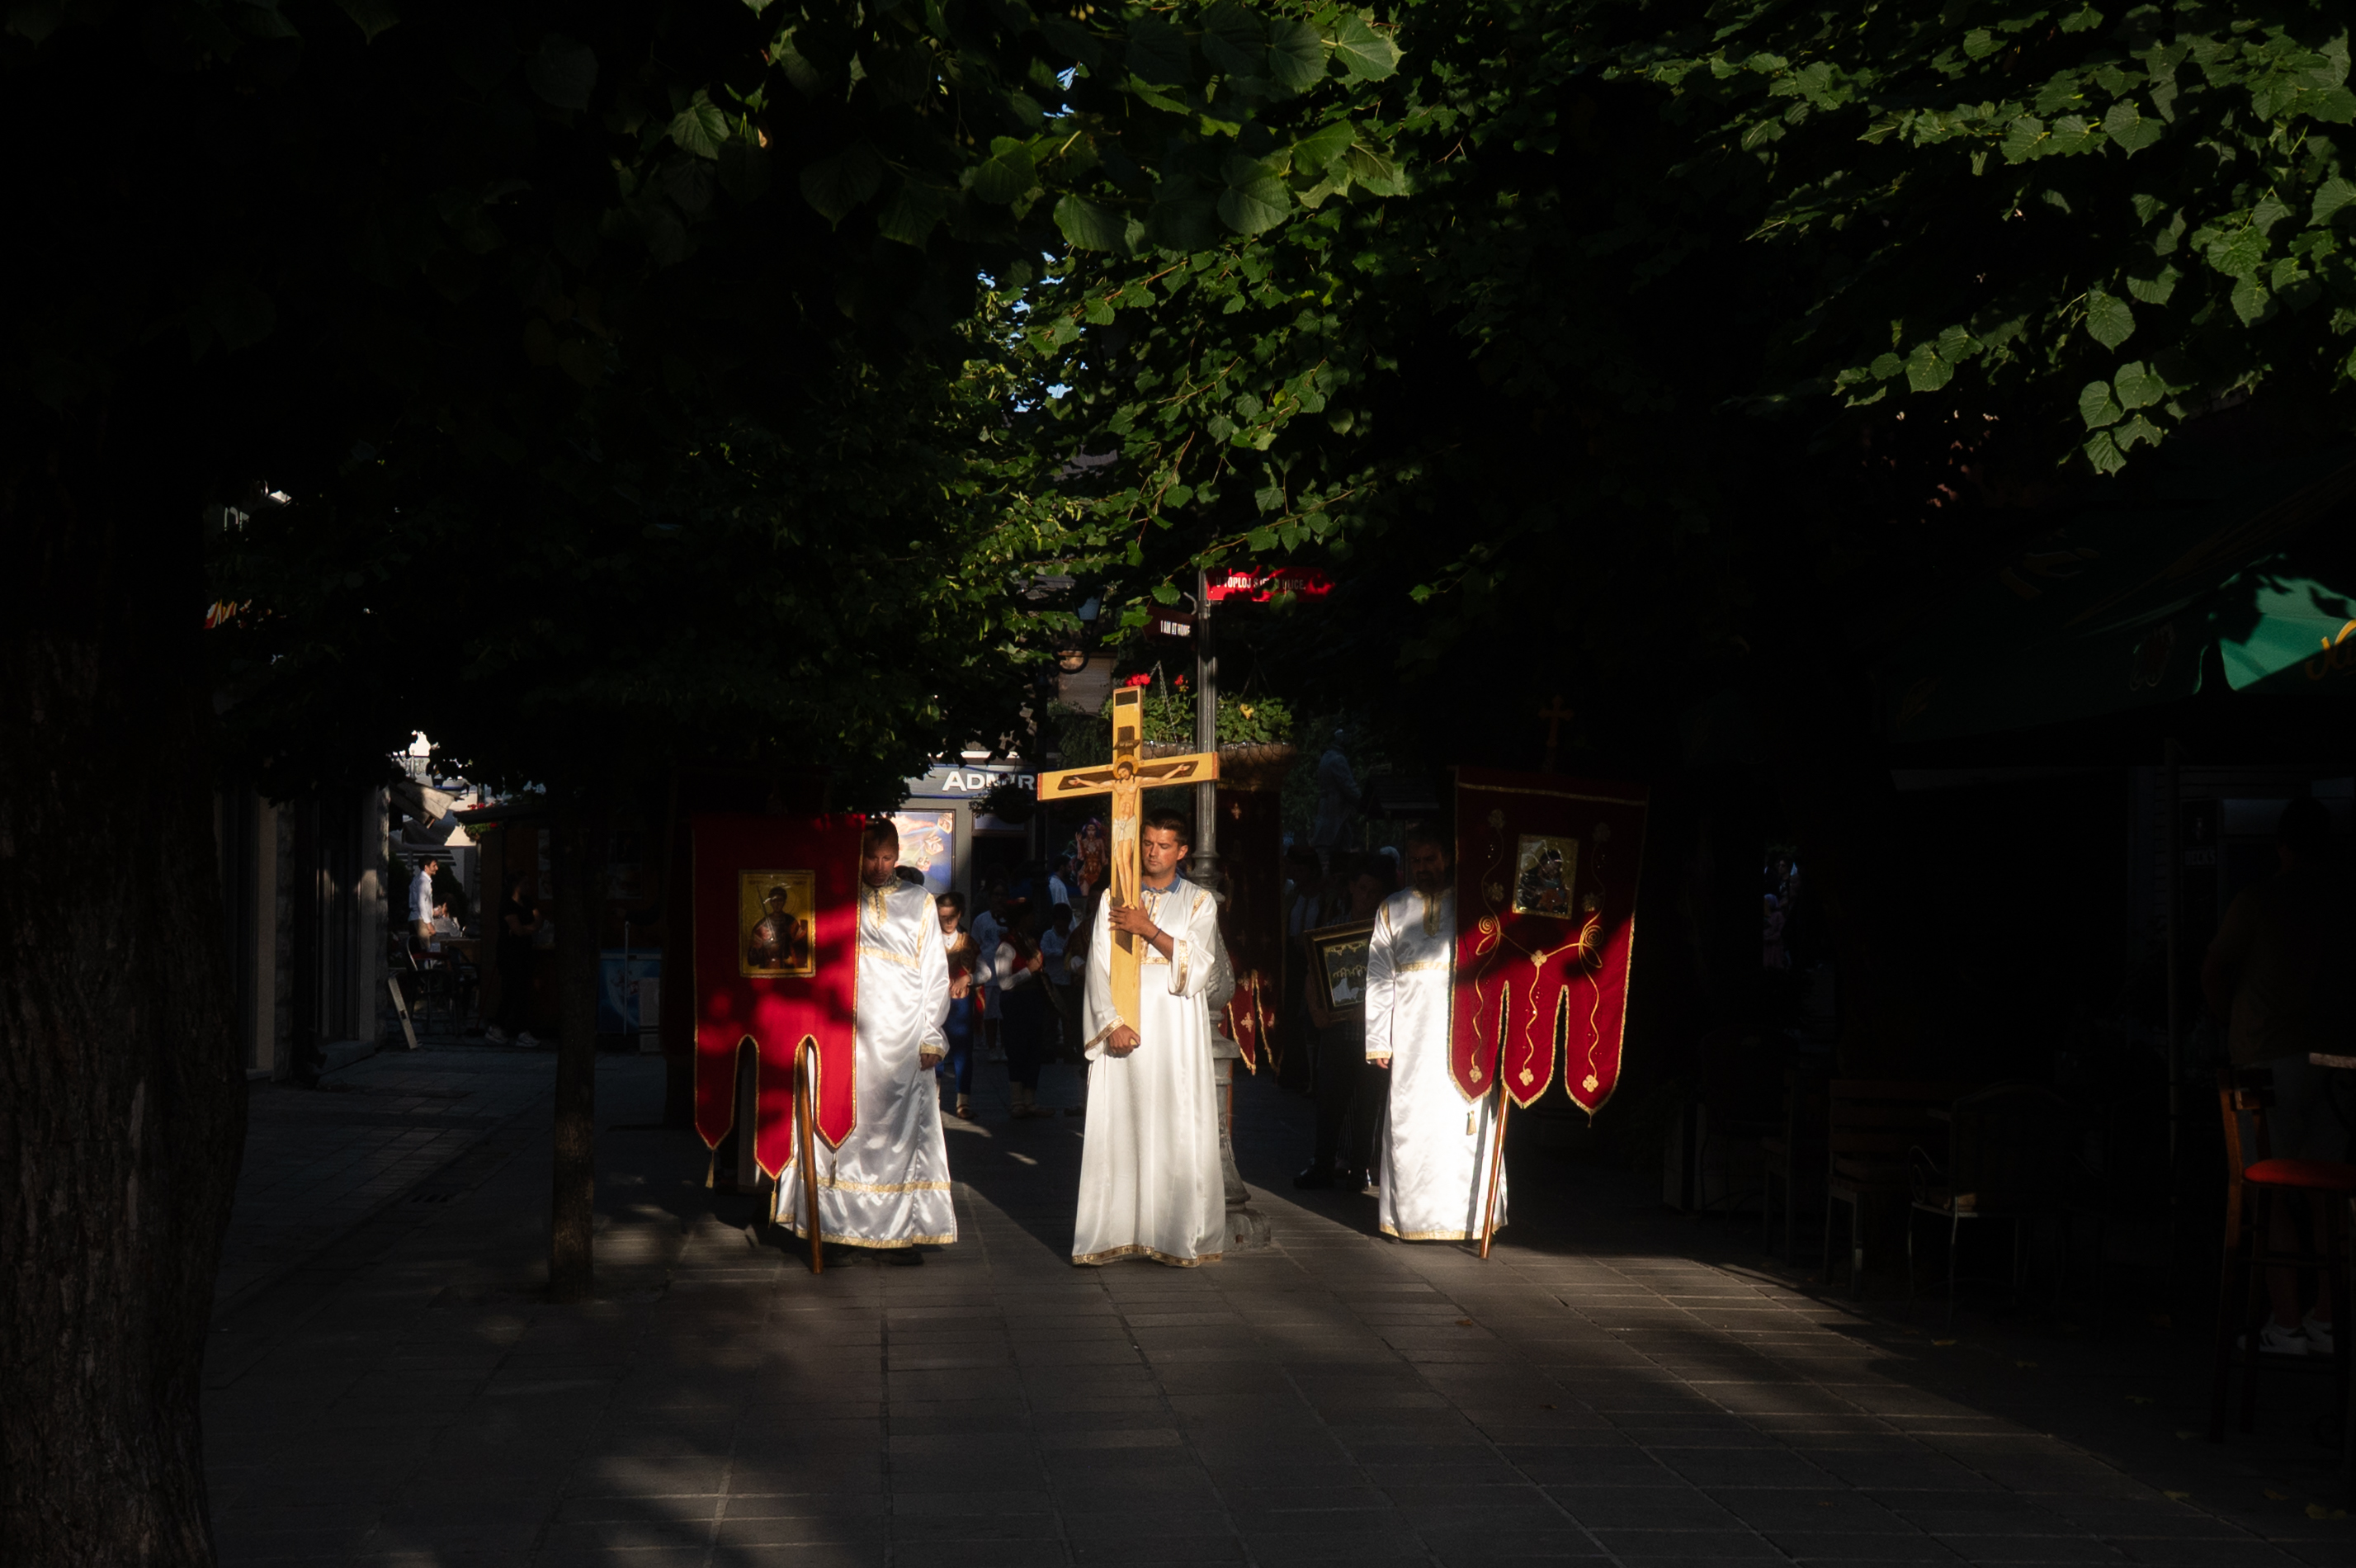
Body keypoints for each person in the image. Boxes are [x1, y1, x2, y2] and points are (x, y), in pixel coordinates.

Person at [2204, 797, 2349, 1354]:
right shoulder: (2343, 901)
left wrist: (2225, 1016)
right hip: (2337, 1060)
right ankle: (2326, 1315)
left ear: (2281, 846)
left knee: (2263, 1185)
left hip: (2268, 1054)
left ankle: (2285, 1322)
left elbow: (2214, 969)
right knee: (2327, 1189)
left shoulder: (2260, 900)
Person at [779, 819, 956, 1263]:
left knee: (896, 1136)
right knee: (841, 1130)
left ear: (898, 856)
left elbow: (935, 973)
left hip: (902, 1036)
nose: (878, 868)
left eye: (887, 858)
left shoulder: (919, 902)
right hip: (844, 1035)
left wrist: (932, 1033)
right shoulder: (836, 898)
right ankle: (834, 1229)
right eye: (870, 857)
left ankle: (897, 1233)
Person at [1072, 808, 1230, 1266]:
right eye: (1147, 843)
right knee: (1116, 1127)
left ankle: (1173, 1232)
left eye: (1163, 846)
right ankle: (1112, 1230)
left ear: (1182, 851)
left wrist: (1148, 929)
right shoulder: (1113, 899)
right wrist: (1111, 1023)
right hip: (1125, 1028)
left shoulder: (1200, 902)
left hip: (1175, 1034)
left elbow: (1199, 968)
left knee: (1175, 1124)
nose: (1153, 853)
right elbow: (1098, 964)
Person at [1367, 822, 1504, 1243]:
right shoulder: (1392, 909)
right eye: (1416, 861)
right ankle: (1411, 1219)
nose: (1423, 868)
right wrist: (1378, 1039)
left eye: (1431, 859)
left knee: (1463, 1123)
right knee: (1412, 1124)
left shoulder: (1474, 909)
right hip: (1411, 1039)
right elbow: (1378, 975)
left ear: (1449, 857)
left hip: (1468, 1034)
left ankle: (1468, 1219)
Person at [1294, 856, 1395, 1191]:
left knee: (1369, 1104)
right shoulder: (1332, 929)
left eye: (1375, 892)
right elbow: (1313, 973)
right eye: (1363, 888)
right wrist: (1317, 1010)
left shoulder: (1388, 935)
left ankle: (1358, 1168)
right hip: (1337, 1032)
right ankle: (1322, 1163)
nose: (1367, 897)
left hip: (1372, 1035)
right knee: (1330, 1100)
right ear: (1352, 888)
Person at [484, 873, 541, 1048]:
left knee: (522, 990)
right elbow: (517, 929)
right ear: (515, 885)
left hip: (524, 952)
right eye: (525, 883)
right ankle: (503, 1027)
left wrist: (528, 928)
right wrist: (528, 928)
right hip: (510, 954)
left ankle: (511, 1029)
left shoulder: (527, 901)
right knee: (513, 990)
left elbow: (538, 920)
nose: (528, 886)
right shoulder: (508, 905)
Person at [971, 880, 1007, 1062]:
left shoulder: (1011, 918)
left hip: (1007, 974)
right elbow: (975, 945)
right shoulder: (981, 920)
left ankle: (1005, 1048)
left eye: (1002, 895)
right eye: (996, 895)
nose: (999, 899)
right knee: (991, 1014)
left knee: (1005, 1015)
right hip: (988, 972)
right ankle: (992, 1048)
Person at [1039, 903, 1077, 1060]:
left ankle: (1069, 1049)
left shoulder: (1071, 935)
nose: (1062, 926)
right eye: (1060, 922)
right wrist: (1061, 952)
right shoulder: (1048, 935)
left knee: (1068, 1017)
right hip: (1053, 982)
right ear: (1055, 921)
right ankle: (1049, 1049)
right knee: (1051, 1017)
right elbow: (1044, 952)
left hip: (1067, 981)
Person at [408, 855, 442, 947]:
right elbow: (421, 903)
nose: (437, 868)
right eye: (434, 866)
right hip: (420, 919)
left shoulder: (419, 880)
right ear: (426, 867)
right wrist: (428, 924)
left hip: (418, 918)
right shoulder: (423, 881)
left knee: (422, 949)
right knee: (426, 948)